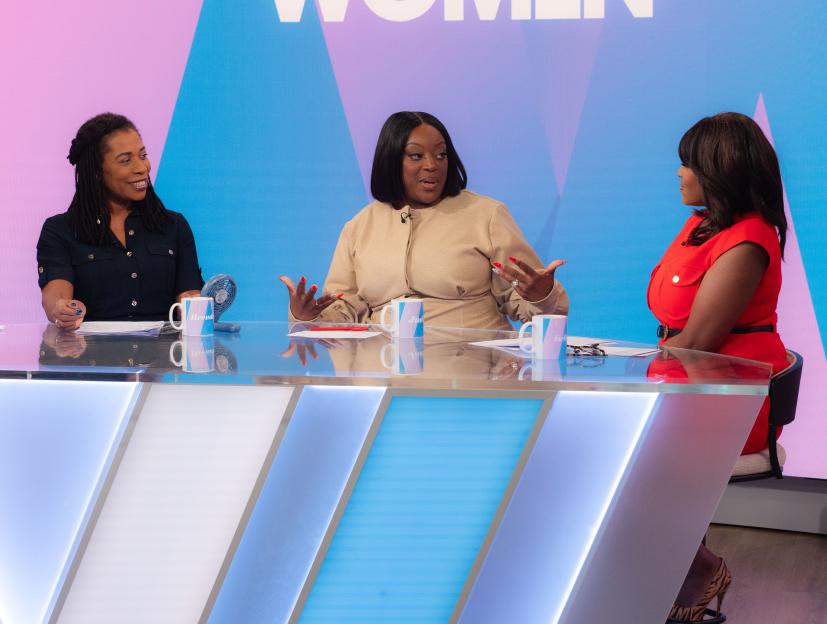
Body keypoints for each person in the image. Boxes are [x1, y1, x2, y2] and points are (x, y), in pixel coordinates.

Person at [648, 112, 789, 622]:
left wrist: (646, 361)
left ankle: (698, 569)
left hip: (730, 398)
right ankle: (671, 570)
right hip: (688, 387)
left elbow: (700, 343)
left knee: (620, 458)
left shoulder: (749, 239)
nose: (680, 174)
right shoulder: (702, 225)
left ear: (719, 168)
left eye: (689, 163)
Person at [279, 111, 568, 328]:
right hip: (382, 369)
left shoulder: (487, 215)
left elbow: (530, 305)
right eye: (416, 156)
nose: (432, 165)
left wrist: (541, 296)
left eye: (441, 154)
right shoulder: (359, 227)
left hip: (471, 372)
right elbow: (341, 312)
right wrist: (307, 317)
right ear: (391, 161)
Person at [37, 113, 204, 328]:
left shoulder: (174, 226)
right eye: (126, 160)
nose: (142, 168)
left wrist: (198, 307)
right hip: (89, 357)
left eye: (143, 155)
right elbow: (56, 295)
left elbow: (188, 294)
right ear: (97, 171)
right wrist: (62, 309)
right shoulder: (60, 230)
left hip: (162, 357)